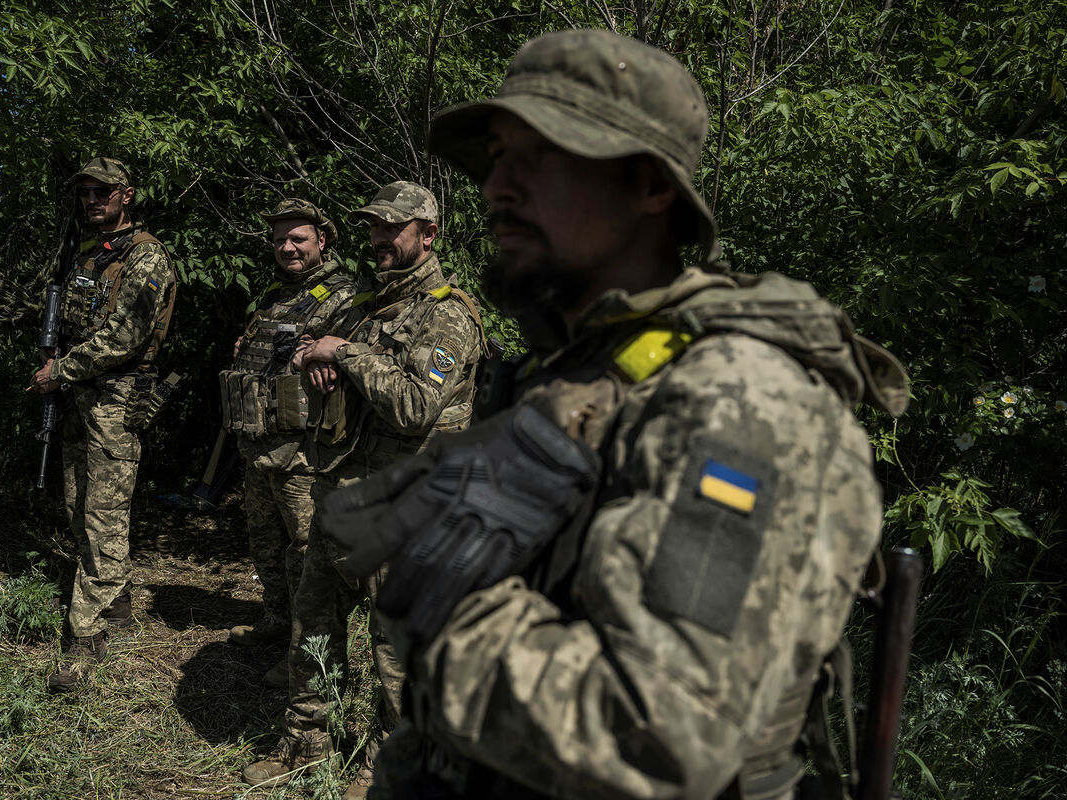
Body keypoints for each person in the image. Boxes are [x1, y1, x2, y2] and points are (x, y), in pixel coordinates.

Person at [319, 30, 911, 799]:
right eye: (498, 155)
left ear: (651, 187)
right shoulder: (576, 366)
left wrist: (457, 606)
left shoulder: (739, 401)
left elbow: (662, 733)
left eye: (540, 155)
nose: (497, 185)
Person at [239, 182, 485, 798]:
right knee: (313, 618)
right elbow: (308, 346)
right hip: (344, 490)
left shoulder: (447, 313)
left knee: (393, 649)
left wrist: (344, 353)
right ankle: (305, 740)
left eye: (391, 228)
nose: (378, 238)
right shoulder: (368, 305)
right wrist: (316, 355)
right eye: (373, 227)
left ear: (427, 236)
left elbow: (412, 404)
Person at [30, 156, 178, 692]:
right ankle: (115, 602)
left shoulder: (146, 257)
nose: (92, 199)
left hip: (115, 398)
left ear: (127, 195)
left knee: (103, 512)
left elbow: (126, 337)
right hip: (78, 394)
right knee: (76, 501)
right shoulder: (87, 254)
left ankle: (84, 636)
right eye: (85, 192)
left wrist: (59, 371)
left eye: (102, 191)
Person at [221, 199, 368, 688]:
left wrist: (322, 354)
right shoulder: (274, 294)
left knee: (308, 557)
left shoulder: (344, 295)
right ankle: (277, 622)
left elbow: (350, 353)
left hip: (305, 451)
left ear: (321, 241)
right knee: (266, 545)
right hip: (259, 444)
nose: (287, 247)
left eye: (298, 238)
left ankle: (311, 657)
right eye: (281, 239)